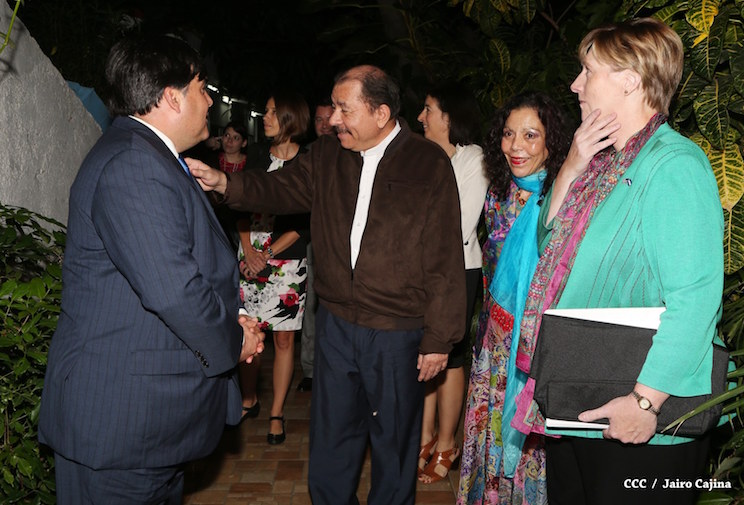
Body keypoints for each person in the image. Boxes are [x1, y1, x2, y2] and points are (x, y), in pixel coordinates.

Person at [187, 64, 466, 505]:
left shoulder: (427, 163)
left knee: (394, 448)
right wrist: (225, 182)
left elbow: (445, 257)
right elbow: (277, 188)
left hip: (397, 333)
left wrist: (439, 339)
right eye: (333, 108)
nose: (333, 119)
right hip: (336, 326)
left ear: (381, 113)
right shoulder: (327, 156)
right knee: (331, 444)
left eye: (344, 109)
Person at [38, 35, 264, 504]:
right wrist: (233, 339)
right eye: (202, 88)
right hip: (122, 428)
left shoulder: (151, 156)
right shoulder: (133, 164)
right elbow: (174, 290)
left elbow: (183, 267)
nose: (210, 102)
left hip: (147, 429)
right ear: (170, 97)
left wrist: (233, 319)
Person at [515, 18, 723, 505]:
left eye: (588, 71)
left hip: (640, 411)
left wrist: (646, 401)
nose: (575, 85)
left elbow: (695, 300)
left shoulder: (673, 164)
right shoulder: (606, 163)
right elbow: (551, 243)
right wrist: (573, 165)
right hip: (583, 395)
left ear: (630, 80)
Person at [456, 92, 571, 504]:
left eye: (530, 135)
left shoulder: (564, 199)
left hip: (538, 350)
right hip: (495, 344)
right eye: (508, 134)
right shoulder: (499, 193)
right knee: (492, 437)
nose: (516, 146)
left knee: (530, 450)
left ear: (552, 142)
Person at [415, 83, 488, 484]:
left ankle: (447, 443)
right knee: (425, 351)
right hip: (421, 271)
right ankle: (425, 435)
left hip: (459, 270)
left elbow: (459, 224)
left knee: (451, 356)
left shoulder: (472, 158)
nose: (420, 117)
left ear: (448, 116)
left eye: (428, 109)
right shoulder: (424, 156)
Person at [236, 90, 311, 445]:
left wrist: (266, 254)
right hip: (249, 254)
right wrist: (249, 249)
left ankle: (277, 412)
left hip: (287, 260)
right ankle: (248, 399)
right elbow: (237, 203)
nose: (264, 117)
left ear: (289, 118)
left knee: (284, 338)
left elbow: (307, 219)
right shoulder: (255, 156)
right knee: (248, 330)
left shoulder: (308, 162)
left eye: (270, 112)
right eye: (265, 112)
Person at [297, 96, 335, 393]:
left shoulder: (350, 151)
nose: (323, 125)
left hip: (342, 243)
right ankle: (310, 369)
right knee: (311, 303)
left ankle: (333, 367)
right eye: (318, 120)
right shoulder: (306, 154)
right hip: (311, 239)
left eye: (327, 119)